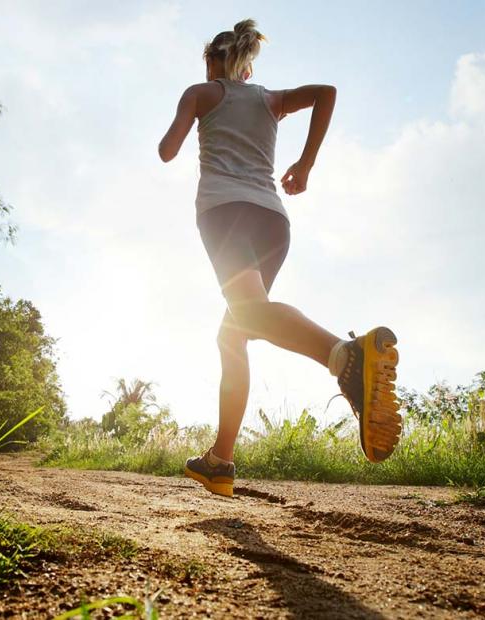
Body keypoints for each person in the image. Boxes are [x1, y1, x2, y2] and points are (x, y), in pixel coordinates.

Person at [158, 19, 400, 498]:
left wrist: (191, 113)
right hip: (272, 220)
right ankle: (220, 460)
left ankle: (345, 356)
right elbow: (326, 92)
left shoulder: (201, 92)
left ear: (213, 64)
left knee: (247, 316)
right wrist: (305, 163)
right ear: (246, 67)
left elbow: (167, 151)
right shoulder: (270, 99)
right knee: (235, 332)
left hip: (224, 212)